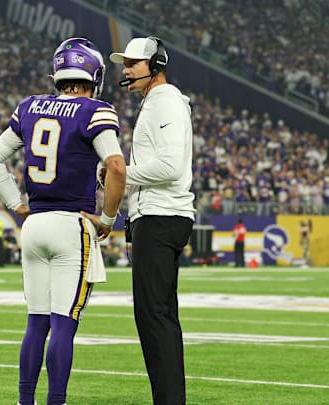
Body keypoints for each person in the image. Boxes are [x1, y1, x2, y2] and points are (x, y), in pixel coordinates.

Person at [0, 37, 126, 405]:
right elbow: (115, 166)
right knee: (63, 324)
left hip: (34, 224)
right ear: (92, 73)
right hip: (71, 224)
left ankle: (24, 401)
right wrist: (108, 218)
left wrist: (17, 204)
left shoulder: (30, 107)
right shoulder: (96, 111)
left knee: (36, 322)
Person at [110, 36, 195, 405]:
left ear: (156, 66)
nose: (125, 70)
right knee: (158, 315)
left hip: (161, 216)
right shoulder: (158, 102)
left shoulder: (165, 102)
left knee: (153, 316)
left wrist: (119, 174)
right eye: (124, 63)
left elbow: (169, 166)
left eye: (133, 63)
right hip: (161, 215)